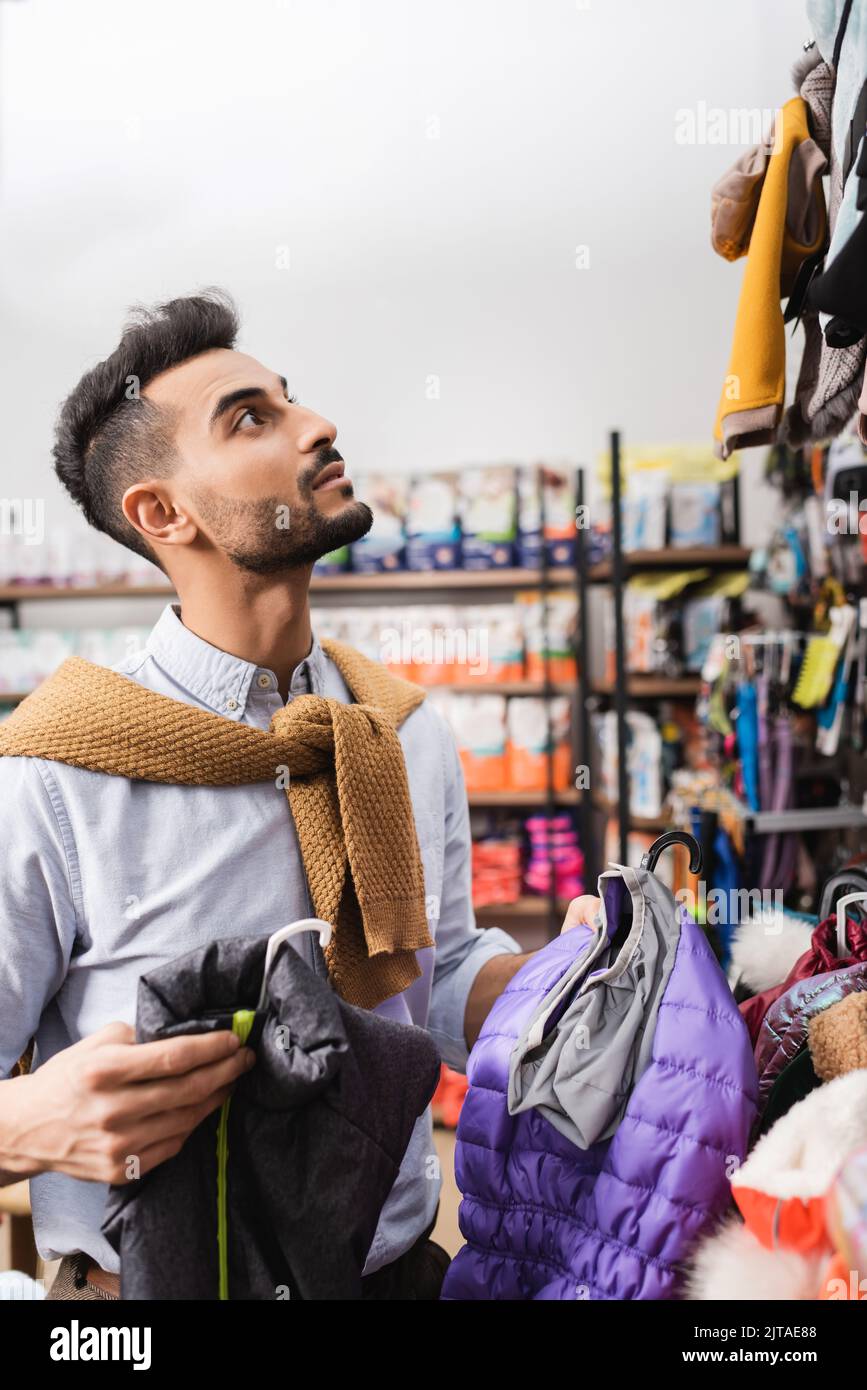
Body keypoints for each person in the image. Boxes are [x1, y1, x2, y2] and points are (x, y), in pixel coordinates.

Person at [0, 290, 601, 1299]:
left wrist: (558, 981)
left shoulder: (400, 729)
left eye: (293, 402)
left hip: (399, 1278)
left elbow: (433, 969)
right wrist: (26, 1124)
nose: (316, 427)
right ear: (162, 512)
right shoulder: (52, 772)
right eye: (252, 417)